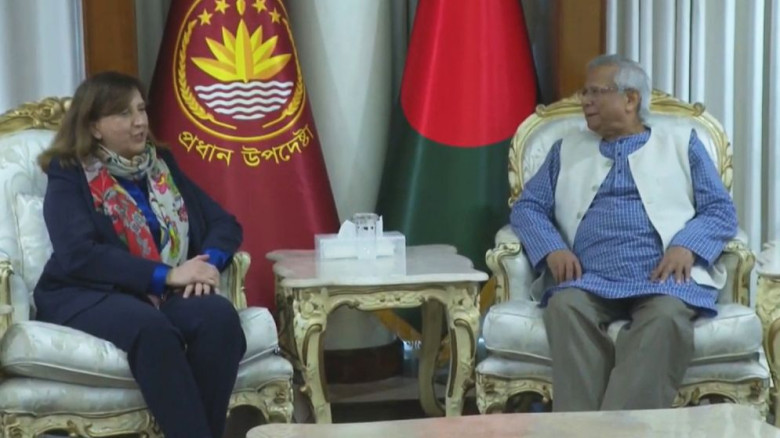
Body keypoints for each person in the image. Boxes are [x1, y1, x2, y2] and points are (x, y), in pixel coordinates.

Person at [511, 54, 737, 411]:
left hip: (663, 280)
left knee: (665, 319)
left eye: (596, 92)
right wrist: (553, 248)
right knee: (565, 306)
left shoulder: (682, 143)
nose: (585, 101)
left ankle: (616, 430)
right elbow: (527, 208)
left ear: (630, 99)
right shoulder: (566, 149)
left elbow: (720, 209)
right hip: (587, 279)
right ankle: (580, 430)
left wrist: (687, 246)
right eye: (585, 92)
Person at [34, 71, 246, 438]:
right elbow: (78, 253)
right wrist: (167, 275)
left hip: (160, 294)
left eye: (141, 109)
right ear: (94, 127)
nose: (140, 121)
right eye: (124, 113)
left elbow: (224, 223)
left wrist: (205, 265)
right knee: (152, 330)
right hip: (87, 292)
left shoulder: (160, 164)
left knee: (218, 318)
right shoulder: (69, 172)